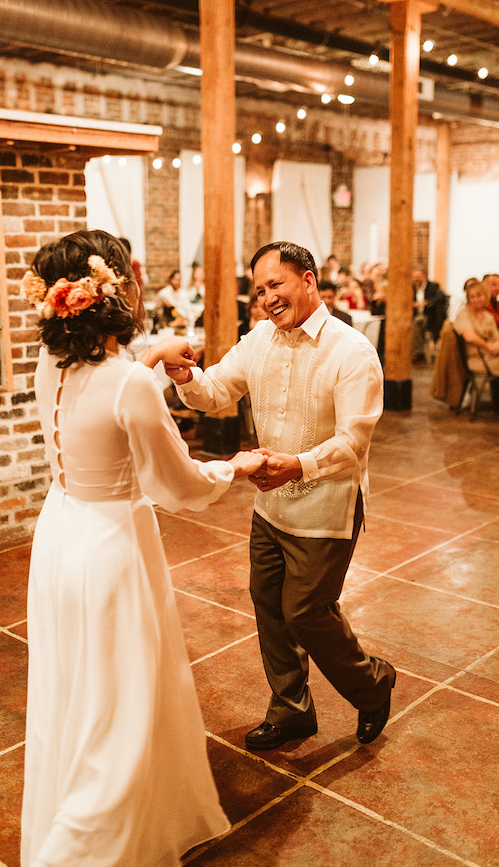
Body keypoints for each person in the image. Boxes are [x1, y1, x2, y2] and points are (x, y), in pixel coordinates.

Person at [18, 229, 265, 867]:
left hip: (59, 535)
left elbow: (113, 379)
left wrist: (152, 354)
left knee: (74, 689)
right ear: (117, 291)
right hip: (111, 548)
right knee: (118, 708)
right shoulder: (130, 385)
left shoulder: (51, 366)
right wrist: (235, 466)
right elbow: (176, 483)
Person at [151, 240, 397, 754]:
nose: (267, 299)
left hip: (327, 504)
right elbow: (215, 390)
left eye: (276, 285)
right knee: (268, 605)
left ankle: (372, 684)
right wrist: (185, 376)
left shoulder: (351, 352)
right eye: (260, 290)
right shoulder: (258, 339)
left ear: (308, 280)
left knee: (307, 611)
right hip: (270, 505)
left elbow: (354, 443)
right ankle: (291, 711)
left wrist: (298, 465)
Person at [455, 278, 499, 411]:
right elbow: (469, 336)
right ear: (468, 299)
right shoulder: (464, 314)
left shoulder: (487, 316)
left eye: (479, 296)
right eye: (472, 297)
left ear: (485, 296)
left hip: (492, 354)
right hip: (477, 358)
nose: (476, 300)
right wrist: (489, 346)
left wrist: (498, 346)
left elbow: (497, 337)